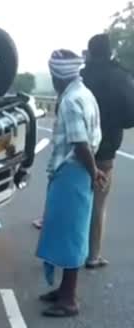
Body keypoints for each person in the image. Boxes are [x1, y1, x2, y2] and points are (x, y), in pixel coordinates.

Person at [36, 50, 103, 318]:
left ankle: (69, 299)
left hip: (73, 172)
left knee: (70, 236)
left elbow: (80, 143)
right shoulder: (85, 93)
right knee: (65, 232)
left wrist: (94, 171)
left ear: (57, 76)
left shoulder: (70, 100)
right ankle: (63, 290)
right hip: (77, 171)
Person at [81, 34, 127, 268]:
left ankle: (70, 252)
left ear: (90, 52)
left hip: (79, 150)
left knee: (77, 201)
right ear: (109, 51)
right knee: (99, 205)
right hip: (106, 151)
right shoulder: (120, 76)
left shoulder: (81, 76)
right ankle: (93, 255)